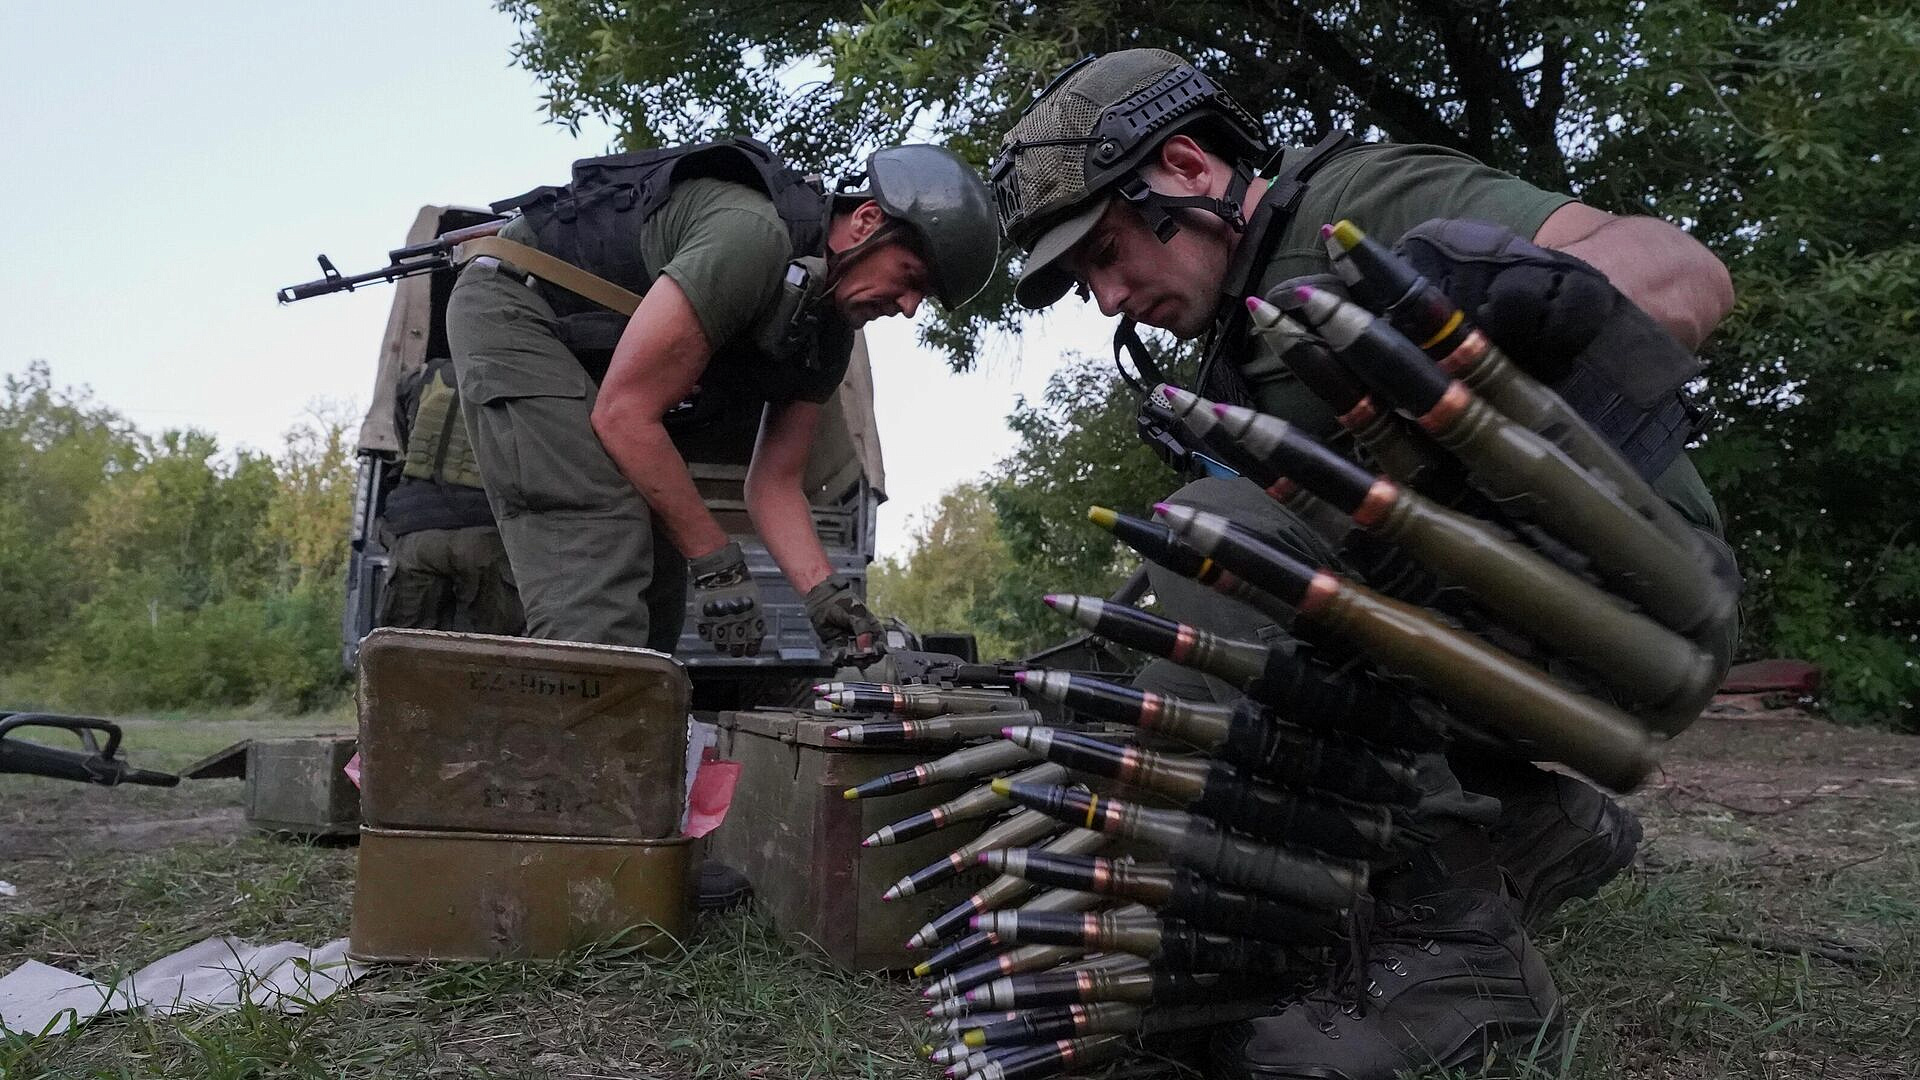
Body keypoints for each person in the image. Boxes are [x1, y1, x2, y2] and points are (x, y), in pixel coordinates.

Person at [992, 49, 1739, 1078]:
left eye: (1109, 250)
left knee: (1223, 532)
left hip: (1639, 600)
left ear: (1188, 167)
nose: (1110, 295)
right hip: (1480, 635)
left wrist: (1494, 306)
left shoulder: (1361, 203)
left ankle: (1462, 947)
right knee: (1162, 630)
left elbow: (1686, 273)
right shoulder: (1231, 350)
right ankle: (1523, 825)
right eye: (1085, 279)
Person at [448, 138, 997, 663]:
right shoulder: (752, 236)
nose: (908, 308)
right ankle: (567, 754)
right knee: (600, 548)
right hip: (517, 307)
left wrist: (824, 596)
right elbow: (624, 415)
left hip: (596, 362)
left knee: (659, 584)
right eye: (911, 278)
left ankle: (622, 746)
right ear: (867, 221)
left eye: (924, 298)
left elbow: (775, 482)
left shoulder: (828, 336)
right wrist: (718, 561)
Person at [376, 356, 525, 638]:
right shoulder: (515, 373)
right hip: (482, 532)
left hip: (415, 532)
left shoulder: (419, 377)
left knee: (404, 655)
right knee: (497, 655)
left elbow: (401, 435)